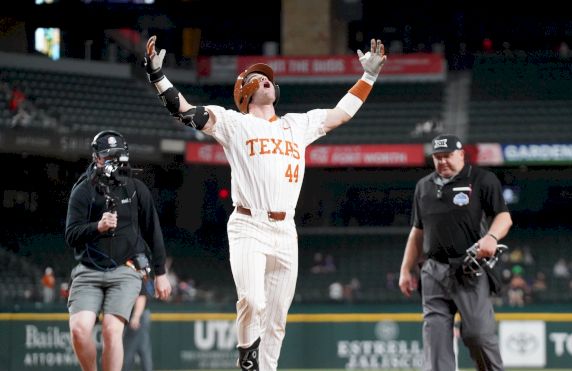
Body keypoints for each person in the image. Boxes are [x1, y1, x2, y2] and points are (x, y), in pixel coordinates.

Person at [143, 35, 386, 371]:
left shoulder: (296, 125)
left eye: (267, 77)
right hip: (249, 223)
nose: (265, 78)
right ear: (244, 92)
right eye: (256, 77)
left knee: (276, 320)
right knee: (252, 300)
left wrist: (368, 76)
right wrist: (157, 75)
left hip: (286, 229)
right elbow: (184, 111)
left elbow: (339, 114)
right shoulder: (234, 122)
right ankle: (247, 356)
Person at [398, 134, 513, 371]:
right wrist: (405, 269)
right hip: (433, 272)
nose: (442, 162)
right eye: (437, 158)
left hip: (469, 269)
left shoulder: (481, 179)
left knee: (478, 335)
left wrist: (491, 236)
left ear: (461, 154)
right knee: (436, 345)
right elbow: (417, 232)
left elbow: (504, 217)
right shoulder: (424, 186)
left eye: (447, 156)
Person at [65, 130, 172, 371]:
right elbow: (71, 235)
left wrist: (161, 273)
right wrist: (97, 227)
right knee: (79, 330)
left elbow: (152, 230)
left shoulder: (135, 189)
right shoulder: (83, 189)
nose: (114, 160)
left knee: (112, 331)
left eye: (119, 155)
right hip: (88, 270)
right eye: (108, 155)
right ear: (96, 158)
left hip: (126, 269)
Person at [123, 282, 153, 371]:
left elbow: (141, 296)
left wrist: (136, 317)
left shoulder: (134, 272)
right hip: (139, 314)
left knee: (129, 349)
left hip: (138, 314)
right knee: (143, 347)